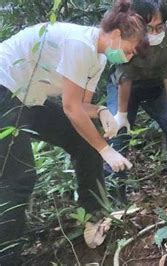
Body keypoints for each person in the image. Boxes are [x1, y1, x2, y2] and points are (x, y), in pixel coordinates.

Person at [0, 0, 147, 261]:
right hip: (5, 89)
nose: (129, 56)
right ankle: (8, 257)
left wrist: (101, 111)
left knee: (84, 142)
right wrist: (106, 150)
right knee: (19, 177)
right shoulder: (80, 44)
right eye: (130, 49)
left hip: (30, 98)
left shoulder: (99, 58)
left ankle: (95, 217)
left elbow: (81, 106)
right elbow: (70, 108)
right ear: (115, 35)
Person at [105, 0, 167, 201]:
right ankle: (115, 193)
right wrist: (121, 115)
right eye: (149, 28)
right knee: (118, 134)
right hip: (124, 87)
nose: (154, 32)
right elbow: (125, 75)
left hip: (154, 85)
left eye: (159, 27)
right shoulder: (128, 33)